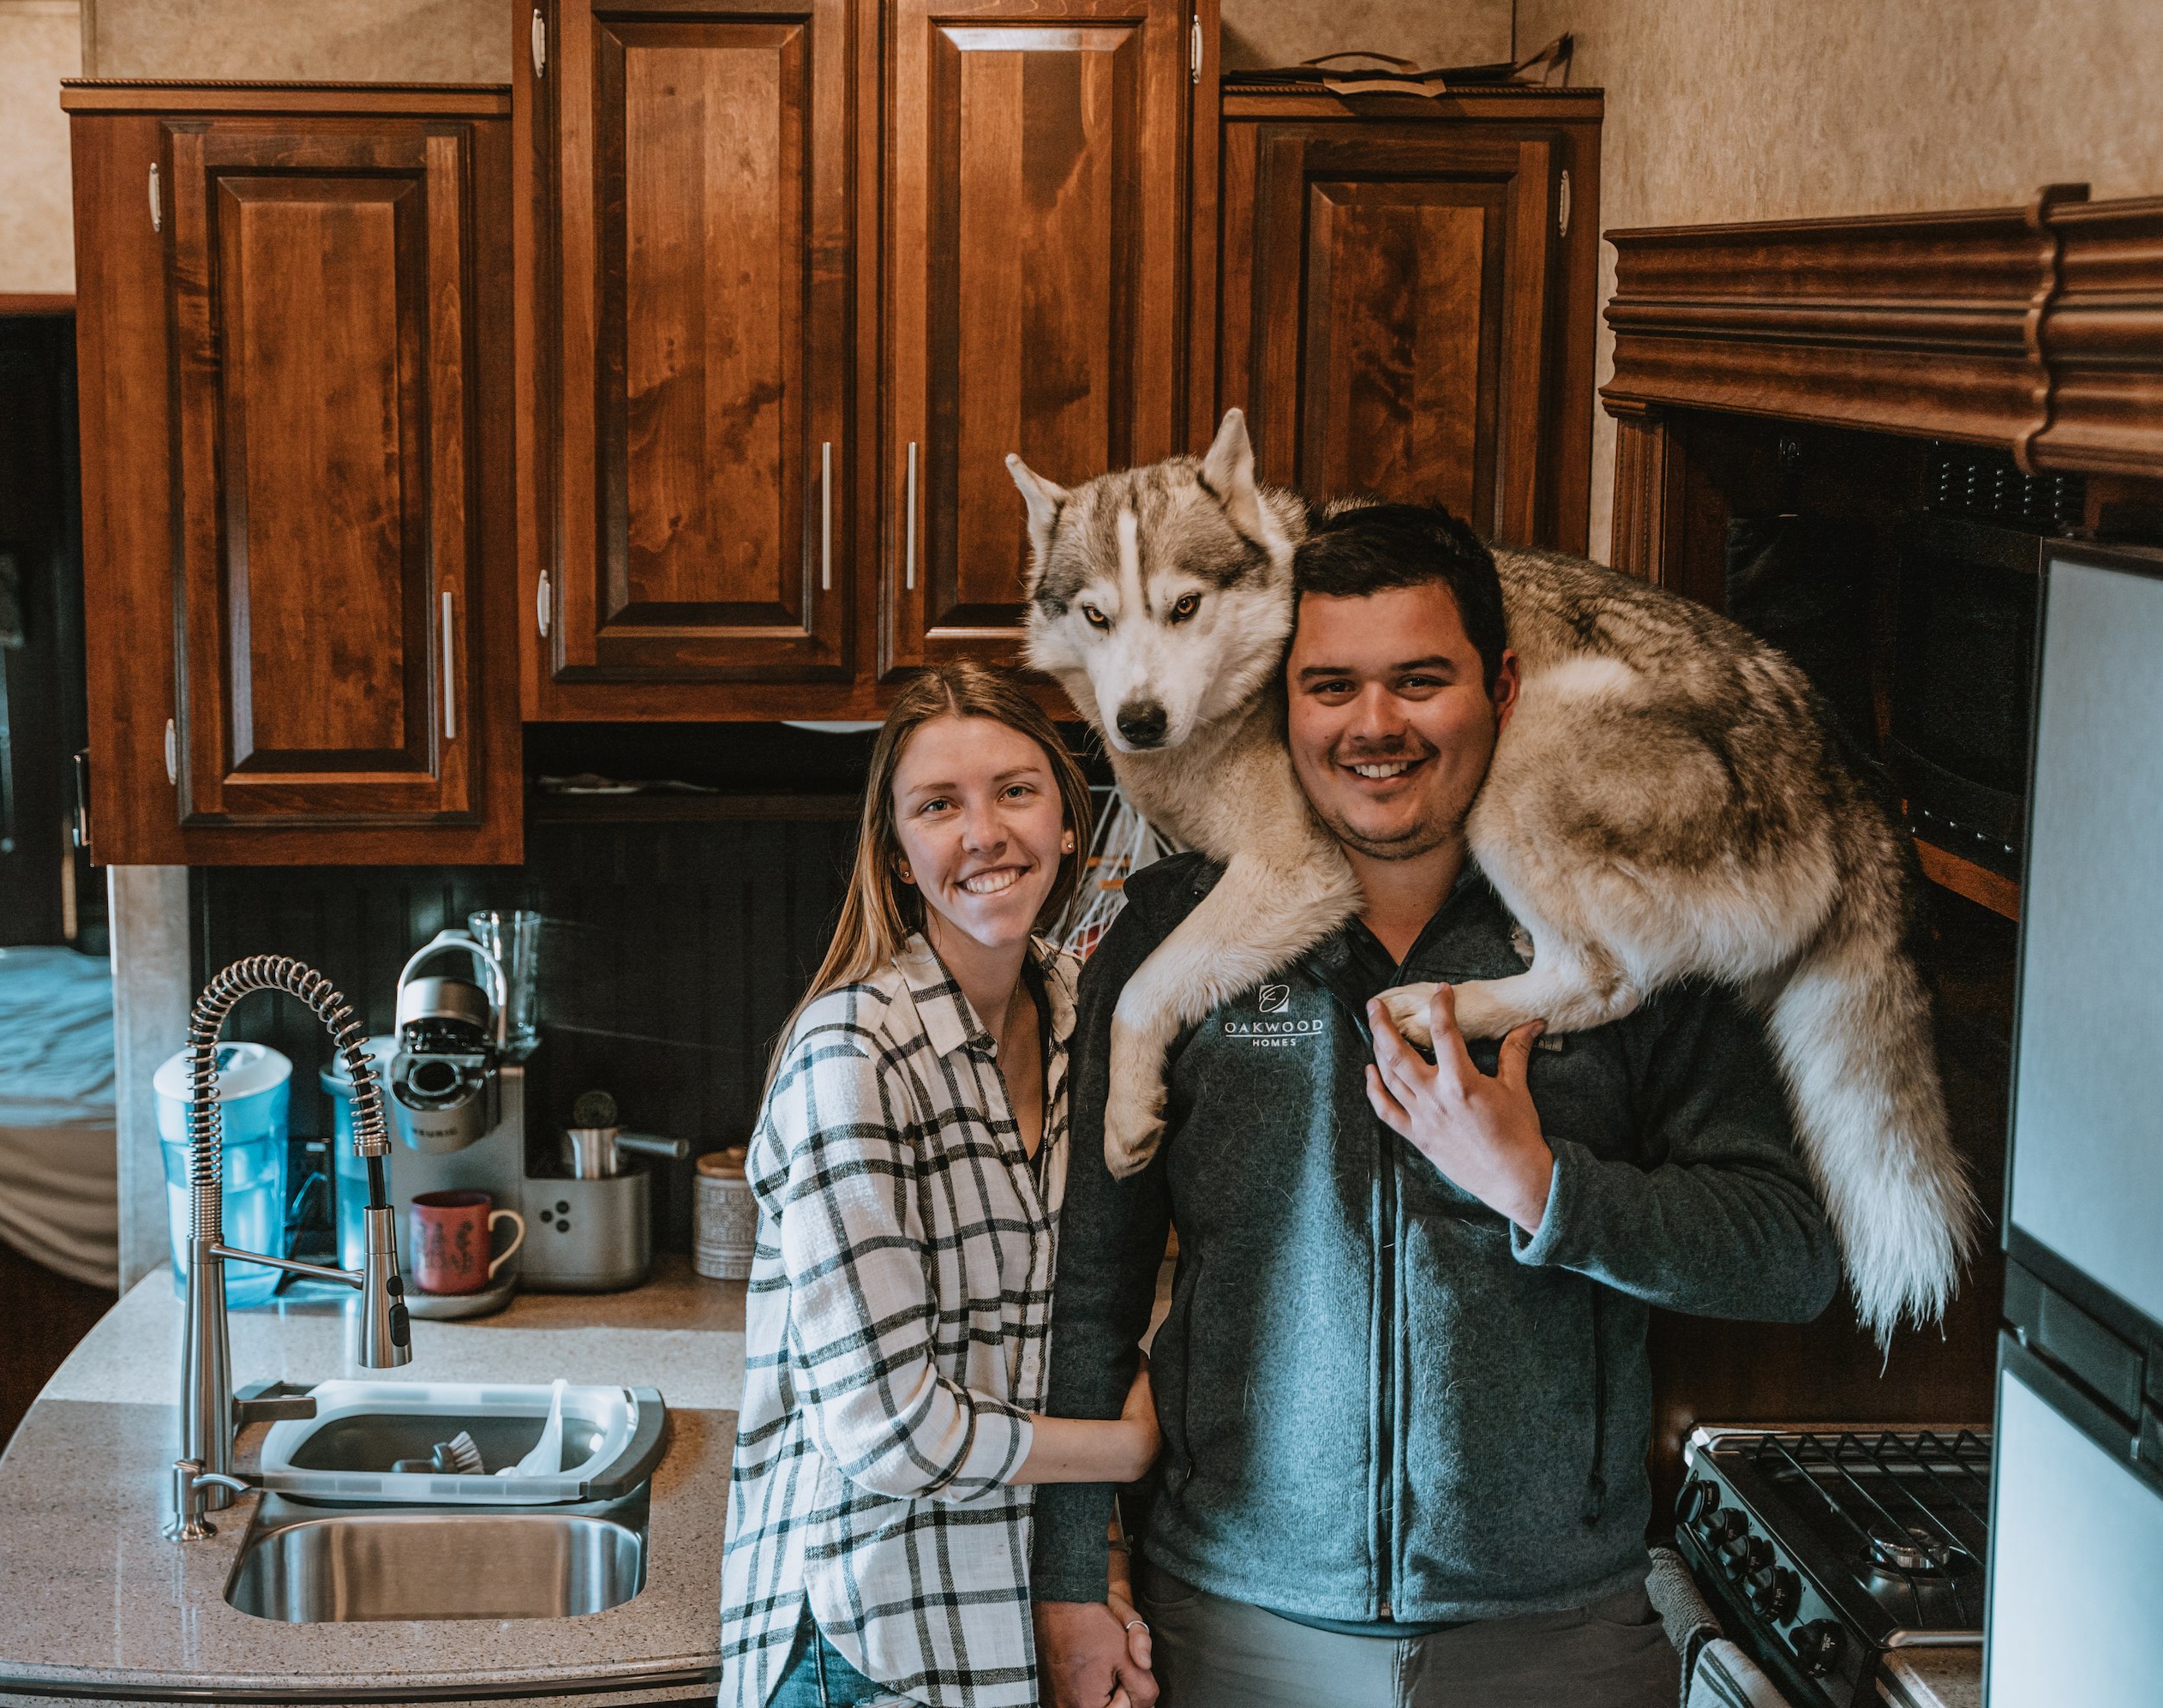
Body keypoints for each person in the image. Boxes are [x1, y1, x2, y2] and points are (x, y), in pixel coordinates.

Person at [1029, 504, 1844, 1708]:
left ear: (1502, 688)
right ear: (1280, 699)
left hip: (1559, 1636)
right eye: (1331, 686)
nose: (1374, 726)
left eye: (1420, 681)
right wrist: (1070, 1579)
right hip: (1232, 1624)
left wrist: (1544, 1189)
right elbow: (1088, 1288)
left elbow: (1790, 1257)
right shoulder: (1170, 938)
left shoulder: (1629, 940)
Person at [722, 659, 1165, 1708]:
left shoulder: (1086, 1014)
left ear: (1068, 818)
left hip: (996, 1626)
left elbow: (1063, 1335)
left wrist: (1098, 1567)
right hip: (865, 1642)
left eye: (1014, 791)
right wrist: (1126, 1447)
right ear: (897, 851)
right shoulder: (853, 1055)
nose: (984, 833)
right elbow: (885, 1429)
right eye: (938, 805)